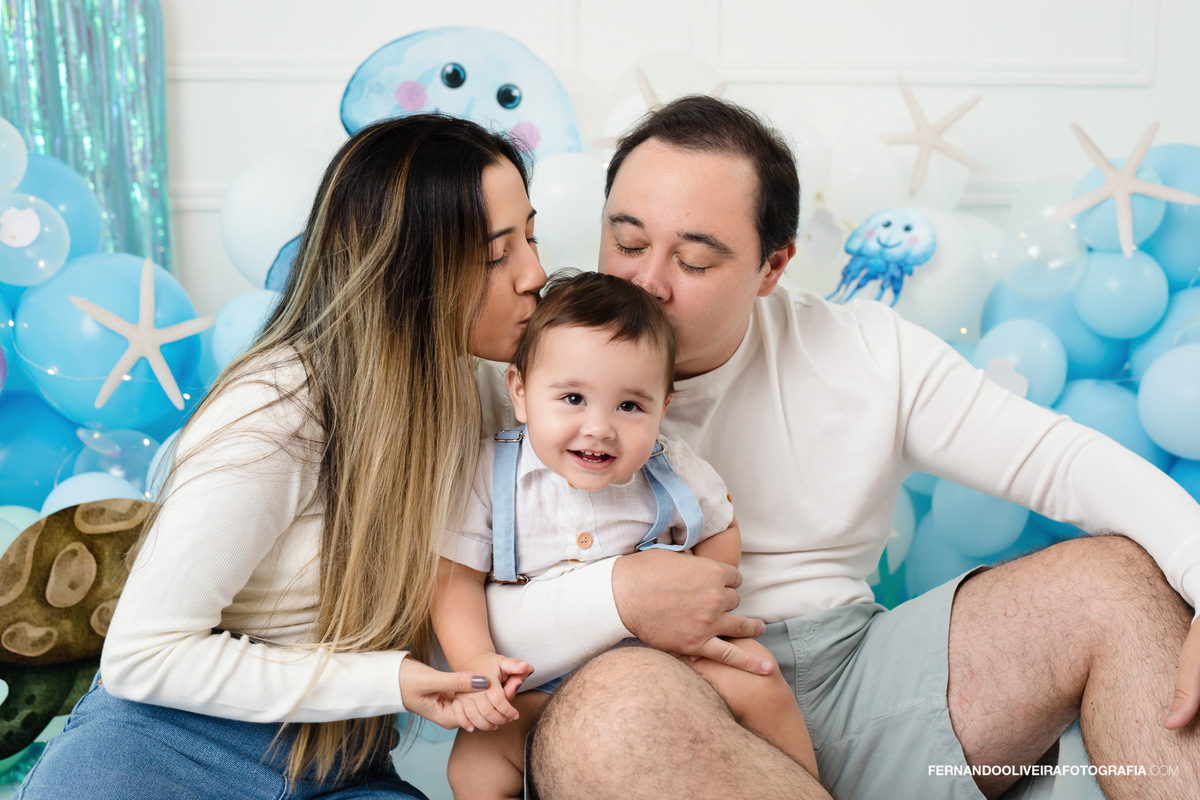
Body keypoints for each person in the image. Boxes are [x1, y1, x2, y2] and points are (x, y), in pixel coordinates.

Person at [473, 95, 1200, 799]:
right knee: (613, 711)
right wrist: (617, 598)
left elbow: (1066, 463)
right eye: (626, 241)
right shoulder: (523, 371)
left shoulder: (866, 350)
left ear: (773, 267)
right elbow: (452, 626)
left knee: (1118, 582)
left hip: (857, 681)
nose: (646, 281)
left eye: (694, 261)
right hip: (650, 703)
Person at [17, 113, 548, 800]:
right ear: (407, 270)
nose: (536, 273)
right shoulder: (279, 405)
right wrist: (385, 680)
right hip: (160, 756)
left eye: (530, 236)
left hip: (343, 768)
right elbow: (142, 657)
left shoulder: (490, 393)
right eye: (497, 254)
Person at [433, 271, 818, 799]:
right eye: (572, 398)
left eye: (630, 406)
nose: (600, 427)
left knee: (762, 682)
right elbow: (452, 582)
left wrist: (710, 604)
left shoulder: (669, 469)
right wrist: (476, 662)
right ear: (520, 393)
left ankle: (806, 787)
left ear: (664, 408)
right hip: (540, 683)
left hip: (666, 666)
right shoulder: (487, 476)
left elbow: (722, 526)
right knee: (473, 765)